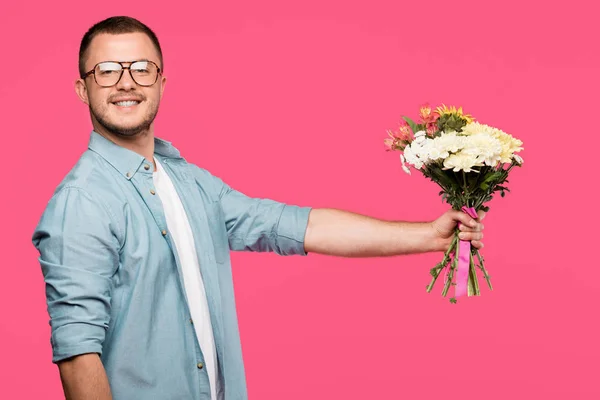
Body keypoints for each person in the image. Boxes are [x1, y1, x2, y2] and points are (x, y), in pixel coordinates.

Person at [31, 16, 485, 400]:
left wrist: (429, 235)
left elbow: (292, 225)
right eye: (107, 70)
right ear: (81, 87)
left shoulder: (186, 181)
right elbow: (77, 353)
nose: (126, 81)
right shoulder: (82, 202)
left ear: (162, 83)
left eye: (142, 68)